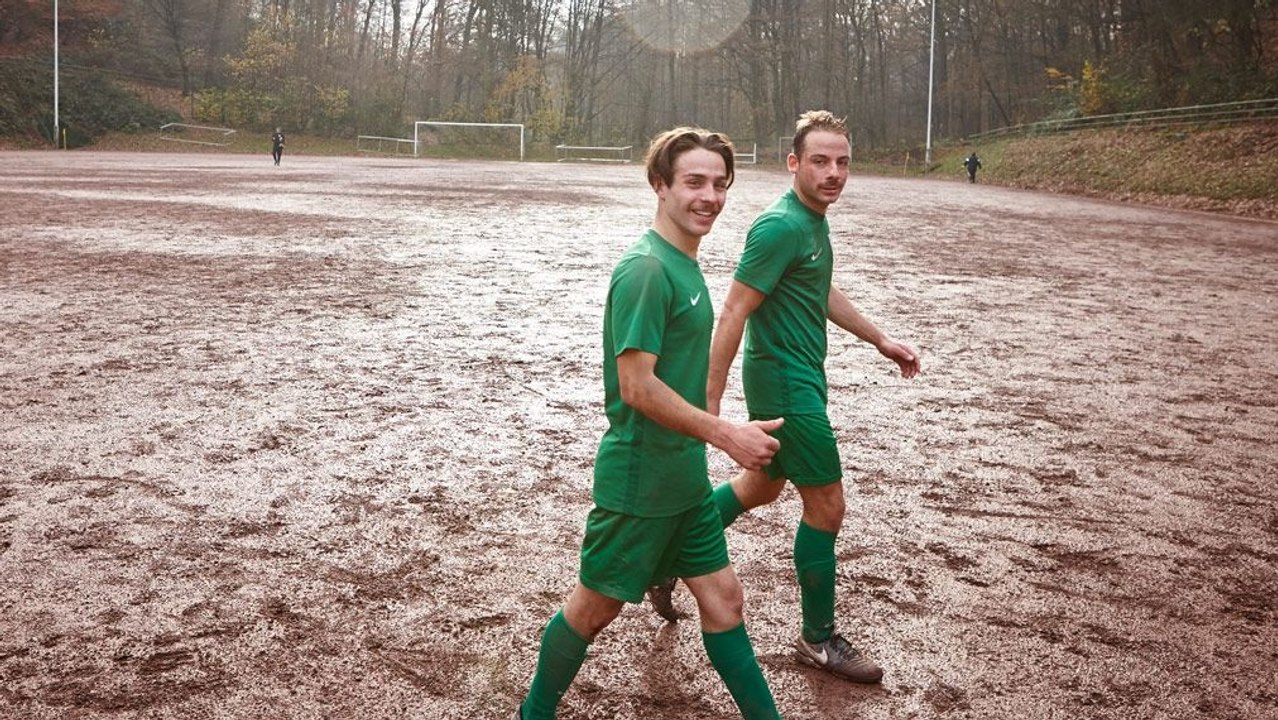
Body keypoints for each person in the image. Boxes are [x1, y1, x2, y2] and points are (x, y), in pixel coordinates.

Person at [513, 127, 787, 720]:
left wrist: (717, 431)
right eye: (694, 182)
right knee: (592, 611)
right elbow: (637, 387)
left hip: (684, 481)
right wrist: (726, 434)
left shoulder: (685, 264)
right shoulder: (645, 271)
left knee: (724, 602)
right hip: (639, 484)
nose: (709, 196)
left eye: (719, 184)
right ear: (659, 185)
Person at [647, 111, 921, 684]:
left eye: (842, 162)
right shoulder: (780, 226)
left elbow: (817, 287)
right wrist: (710, 407)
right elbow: (735, 309)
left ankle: (670, 557)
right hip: (787, 388)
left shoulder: (811, 223)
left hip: (801, 379)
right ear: (793, 162)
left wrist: (880, 339)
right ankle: (818, 640)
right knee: (827, 507)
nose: (834, 173)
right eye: (820, 161)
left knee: (761, 485)